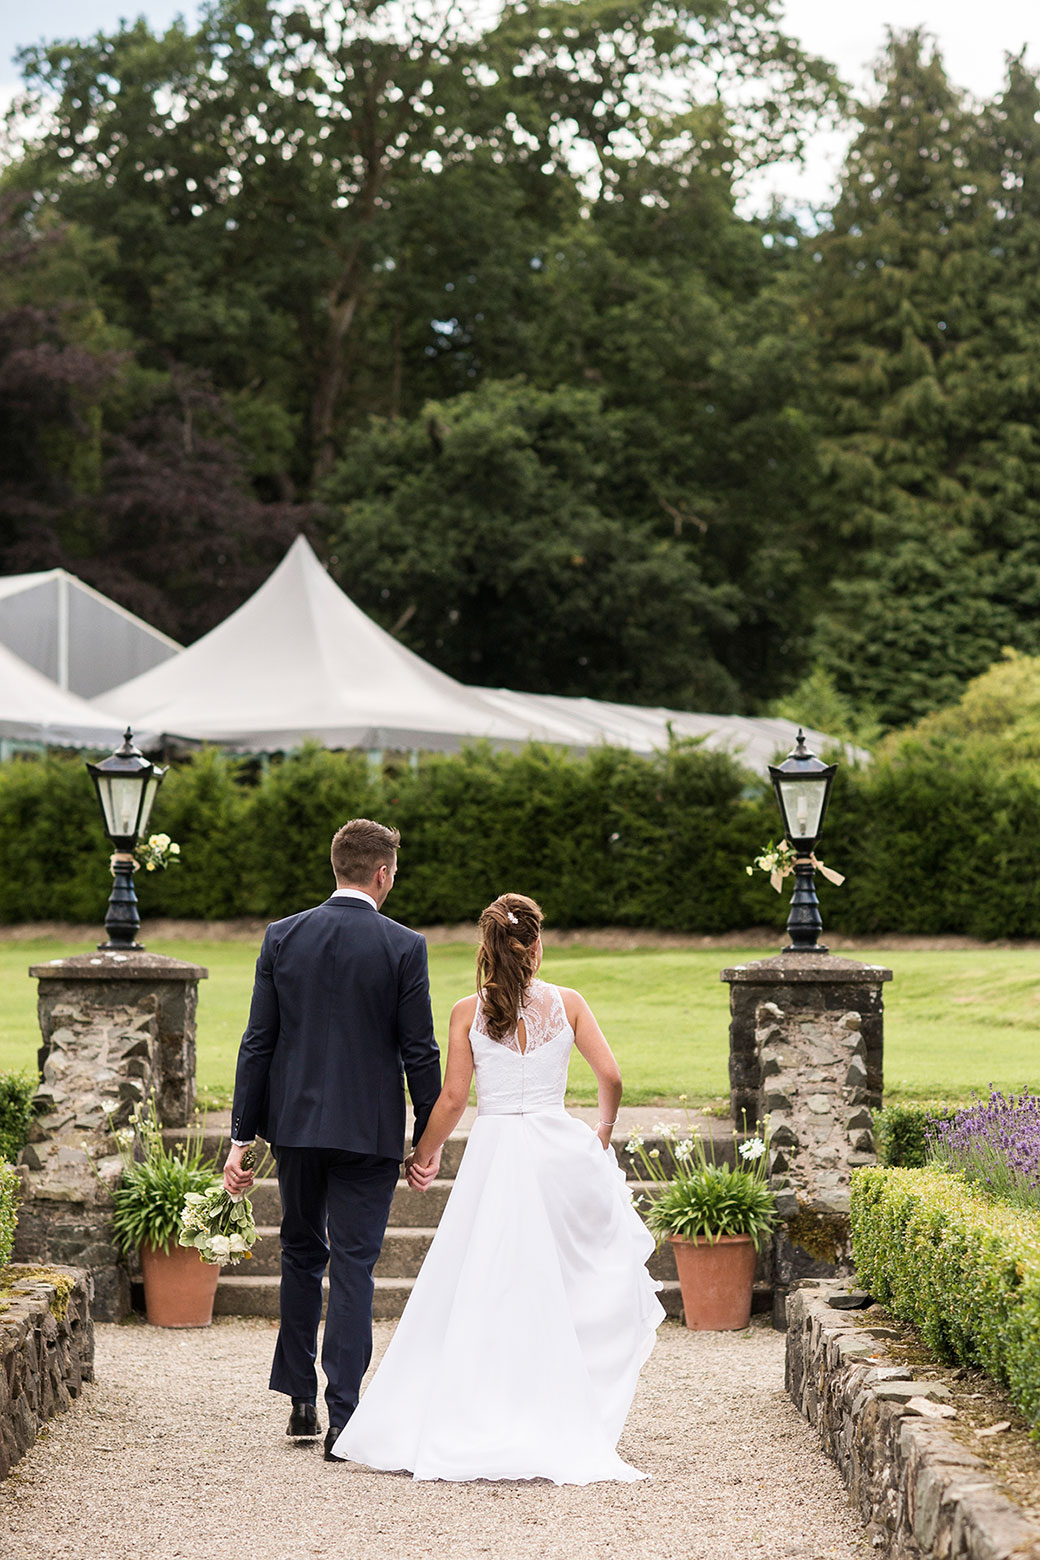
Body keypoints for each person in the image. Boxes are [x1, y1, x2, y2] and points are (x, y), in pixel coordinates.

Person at [331, 891, 665, 1483]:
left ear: (486, 949)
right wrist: (603, 1131)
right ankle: (557, 1401)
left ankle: (478, 1403)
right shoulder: (570, 1003)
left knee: (483, 1278)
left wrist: (423, 1154)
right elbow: (610, 1077)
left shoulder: (467, 1011)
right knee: (562, 1280)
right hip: (556, 1149)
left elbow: (454, 1099)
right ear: (537, 944)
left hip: (495, 1153)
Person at [222, 818, 442, 1460]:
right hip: (369, 1132)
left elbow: (258, 1042)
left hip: (294, 1128)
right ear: (382, 874)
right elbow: (419, 1051)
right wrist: (425, 1141)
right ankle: (344, 1415)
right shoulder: (404, 946)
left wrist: (242, 1137)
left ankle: (299, 1403)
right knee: (353, 1264)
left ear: (335, 867)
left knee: (299, 1253)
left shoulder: (282, 937)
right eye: (393, 873)